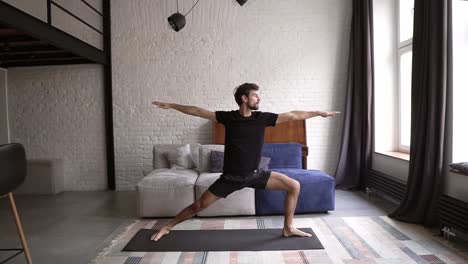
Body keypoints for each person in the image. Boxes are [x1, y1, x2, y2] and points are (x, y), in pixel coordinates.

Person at [150, 83, 337, 241]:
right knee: (198, 206)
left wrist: (318, 113)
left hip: (256, 175)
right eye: (255, 95)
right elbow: (198, 111)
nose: (259, 98)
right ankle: (168, 226)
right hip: (231, 178)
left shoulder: (262, 118)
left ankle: (288, 227)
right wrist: (173, 105)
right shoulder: (228, 118)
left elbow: (293, 115)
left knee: (294, 185)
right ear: (244, 99)